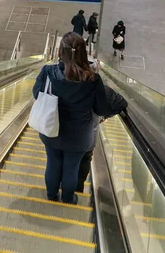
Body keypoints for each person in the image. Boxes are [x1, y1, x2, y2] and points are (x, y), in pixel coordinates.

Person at [32, 32, 117, 204]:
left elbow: (37, 94)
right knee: (71, 168)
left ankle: (51, 195)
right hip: (79, 135)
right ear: (82, 53)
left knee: (53, 162)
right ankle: (69, 198)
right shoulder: (93, 79)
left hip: (51, 129)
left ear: (60, 52)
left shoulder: (48, 72)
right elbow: (100, 108)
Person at [77, 58, 128, 193]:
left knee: (68, 160)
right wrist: (104, 116)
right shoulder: (103, 90)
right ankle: (78, 188)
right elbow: (121, 104)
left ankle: (65, 190)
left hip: (69, 134)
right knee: (85, 159)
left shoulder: (71, 84)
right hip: (89, 136)